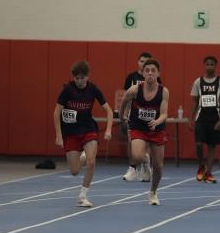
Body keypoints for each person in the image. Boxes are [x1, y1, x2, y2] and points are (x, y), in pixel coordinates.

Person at [53, 60, 113, 207]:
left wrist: (108, 129)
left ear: (88, 76)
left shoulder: (93, 89)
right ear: (73, 77)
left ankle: (83, 195)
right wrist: (59, 135)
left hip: (88, 129)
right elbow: (56, 112)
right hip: (70, 132)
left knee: (92, 162)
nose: (80, 81)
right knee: (74, 171)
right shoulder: (68, 90)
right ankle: (83, 157)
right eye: (77, 78)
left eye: (83, 78)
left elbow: (109, 110)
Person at [119, 59, 168, 205]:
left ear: (158, 73)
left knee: (158, 166)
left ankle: (153, 192)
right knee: (137, 156)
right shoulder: (134, 90)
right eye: (147, 70)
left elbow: (164, 114)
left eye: (153, 70)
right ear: (143, 73)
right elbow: (123, 102)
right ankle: (145, 160)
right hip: (138, 127)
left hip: (156, 129)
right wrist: (122, 117)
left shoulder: (164, 91)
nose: (150, 73)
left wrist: (157, 121)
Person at [189, 55, 220, 183]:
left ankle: (209, 173)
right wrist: (191, 119)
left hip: (215, 119)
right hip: (201, 118)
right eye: (207, 64)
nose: (210, 66)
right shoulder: (198, 82)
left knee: (212, 147)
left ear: (216, 66)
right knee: (199, 144)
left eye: (212, 64)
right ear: (204, 66)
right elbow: (195, 102)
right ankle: (201, 165)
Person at [122, 52, 153, 182]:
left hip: (148, 114)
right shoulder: (131, 77)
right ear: (138, 62)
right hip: (133, 114)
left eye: (146, 62)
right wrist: (125, 113)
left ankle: (146, 167)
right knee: (131, 141)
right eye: (141, 61)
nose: (143, 64)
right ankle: (132, 168)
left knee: (147, 143)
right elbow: (126, 98)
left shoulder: (153, 78)